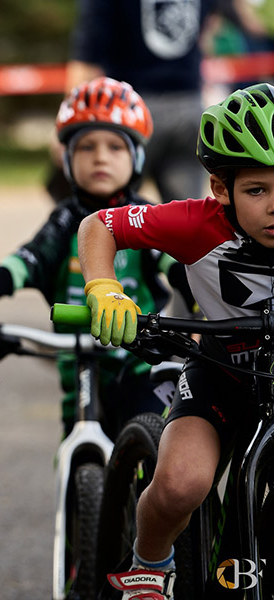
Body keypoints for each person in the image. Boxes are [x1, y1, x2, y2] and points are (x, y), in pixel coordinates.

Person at [76, 82, 274, 599]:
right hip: (220, 378)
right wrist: (104, 289)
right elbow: (100, 225)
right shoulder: (194, 223)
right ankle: (149, 566)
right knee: (181, 481)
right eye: (258, 190)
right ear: (220, 188)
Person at [0, 77, 194, 435]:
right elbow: (18, 267)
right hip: (77, 370)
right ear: (67, 158)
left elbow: (183, 268)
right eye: (87, 147)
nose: (100, 157)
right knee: (74, 449)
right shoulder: (62, 223)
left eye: (115, 147)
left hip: (141, 366)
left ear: (138, 157)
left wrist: (202, 310)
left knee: (154, 443)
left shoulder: (145, 218)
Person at [50, 0, 219, 204]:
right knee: (185, 217)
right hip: (189, 104)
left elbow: (86, 59)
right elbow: (209, 31)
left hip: (125, 112)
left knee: (106, 214)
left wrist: (66, 124)